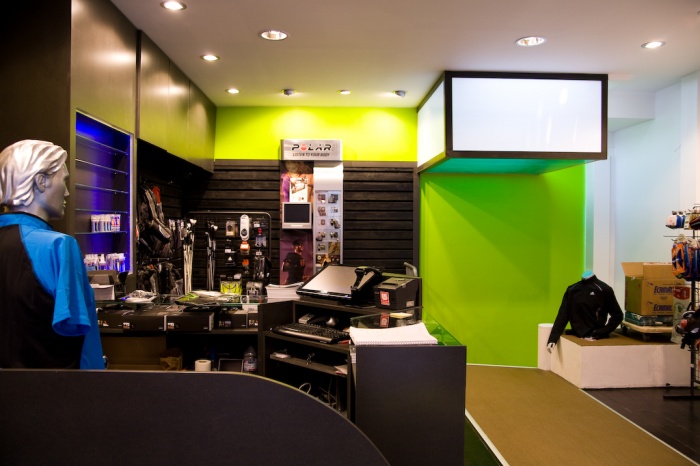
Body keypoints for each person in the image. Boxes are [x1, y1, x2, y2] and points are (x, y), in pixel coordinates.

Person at [0, 139, 104, 369]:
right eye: (63, 181)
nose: (66, 192)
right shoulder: (58, 247)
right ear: (41, 181)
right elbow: (83, 344)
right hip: (50, 387)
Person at [546, 271, 624, 352]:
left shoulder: (603, 289)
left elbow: (617, 316)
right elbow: (563, 315)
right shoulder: (572, 290)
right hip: (575, 338)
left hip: (596, 340)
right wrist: (553, 339)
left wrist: (600, 333)